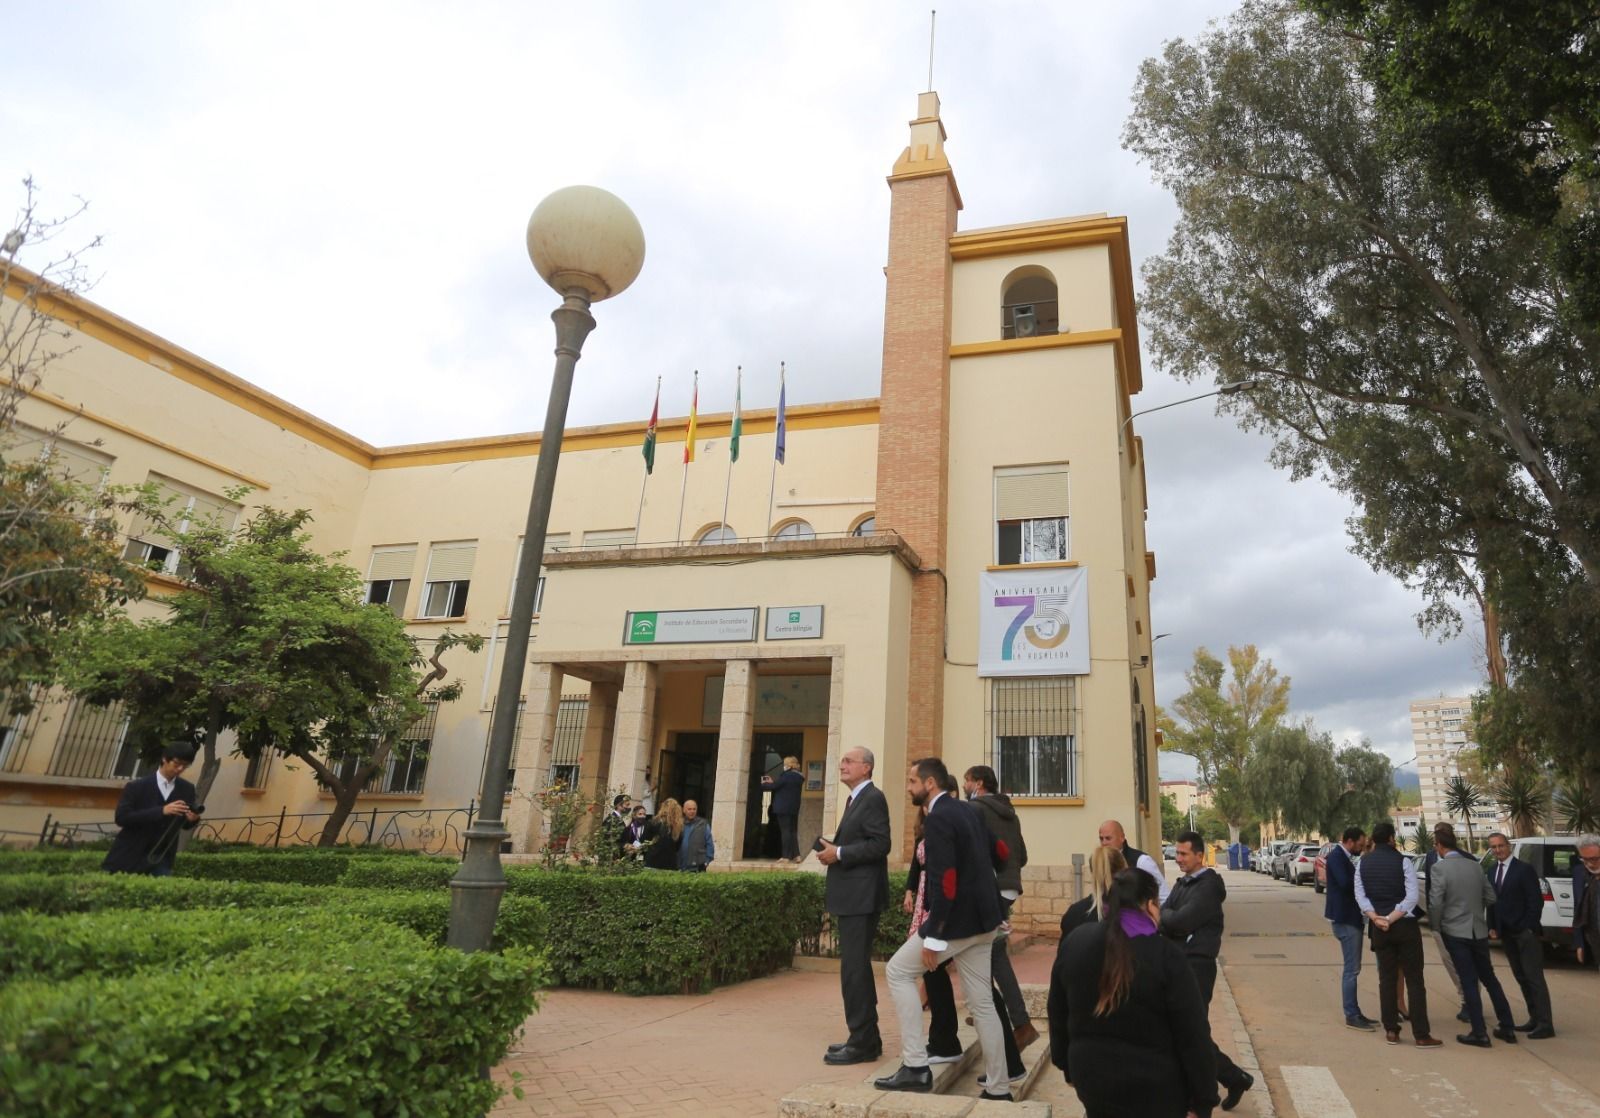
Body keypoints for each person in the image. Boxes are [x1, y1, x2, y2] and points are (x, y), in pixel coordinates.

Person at [876, 758, 1011, 1101]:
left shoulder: (937, 819)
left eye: (911, 781)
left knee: (897, 972)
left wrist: (934, 935)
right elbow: (1002, 853)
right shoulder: (970, 810)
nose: (908, 787)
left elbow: (945, 882)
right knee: (982, 1004)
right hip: (985, 921)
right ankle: (999, 1089)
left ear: (930, 783)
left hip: (955, 924)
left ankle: (916, 1067)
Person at [1057, 869, 1219, 1118]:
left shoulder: (1075, 941)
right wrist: (1203, 1099)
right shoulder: (1166, 955)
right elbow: (1193, 1034)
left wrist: (1067, 1067)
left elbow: (1058, 1012)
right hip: (1156, 1088)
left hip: (1092, 1078)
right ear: (1151, 905)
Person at [1159, 831, 1255, 1111]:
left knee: (1190, 1034)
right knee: (1188, 1033)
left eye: (1183, 854)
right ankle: (1234, 1077)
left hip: (1197, 967)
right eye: (1176, 854)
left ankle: (1203, 1094)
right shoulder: (1182, 883)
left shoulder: (1208, 886)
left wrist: (1168, 919)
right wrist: (1168, 918)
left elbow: (1178, 921)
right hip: (1180, 964)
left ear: (1200, 856)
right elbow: (1165, 914)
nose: (1178, 859)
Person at [818, 746, 891, 1066]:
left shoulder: (872, 797)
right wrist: (835, 849)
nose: (842, 764)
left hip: (861, 899)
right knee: (855, 969)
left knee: (854, 971)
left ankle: (861, 1041)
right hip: (853, 897)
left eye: (849, 761)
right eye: (842, 759)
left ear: (867, 767)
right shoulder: (856, 799)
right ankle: (866, 1038)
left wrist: (840, 854)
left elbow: (880, 844)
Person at [965, 764, 1037, 1053]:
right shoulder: (1010, 812)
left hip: (989, 889)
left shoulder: (977, 809)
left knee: (993, 955)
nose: (966, 785)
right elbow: (1022, 854)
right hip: (1008, 886)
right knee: (986, 951)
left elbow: (975, 851)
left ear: (979, 783)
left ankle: (1021, 1024)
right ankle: (986, 1009)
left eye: (968, 780)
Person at [1429, 822, 1516, 1047]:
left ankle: (1479, 1032)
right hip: (1478, 930)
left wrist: (1436, 925)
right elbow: (1492, 897)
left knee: (1468, 980)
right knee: (1490, 978)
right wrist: (1475, 910)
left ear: (1439, 845)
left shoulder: (1439, 869)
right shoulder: (1475, 866)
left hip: (1455, 931)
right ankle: (1507, 1026)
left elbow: (1436, 902)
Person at [1354, 821, 1440, 1048]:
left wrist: (1375, 918)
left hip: (1379, 928)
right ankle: (1421, 1034)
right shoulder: (1403, 862)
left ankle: (1391, 1030)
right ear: (1392, 838)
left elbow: (1360, 897)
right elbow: (1412, 897)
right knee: (1414, 979)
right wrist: (1392, 917)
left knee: (1386, 979)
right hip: (1404, 926)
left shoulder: (1362, 864)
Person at [1049, 844, 1126, 1082]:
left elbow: (1058, 989)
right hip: (1123, 1031)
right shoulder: (1133, 915)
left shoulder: (1075, 914)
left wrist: (1062, 1057)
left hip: (1084, 1031)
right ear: (1124, 870)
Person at [1485, 832, 1554, 1038]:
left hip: (1525, 933)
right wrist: (1492, 926)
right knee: (1521, 977)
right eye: (1494, 847)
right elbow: (1492, 901)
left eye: (1501, 846)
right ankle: (1533, 1018)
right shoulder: (1491, 871)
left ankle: (1545, 1023)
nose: (1498, 850)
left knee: (1534, 978)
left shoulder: (1524, 870)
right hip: (1506, 933)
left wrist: (1529, 927)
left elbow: (1536, 901)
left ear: (1508, 846)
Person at [102, 743, 201, 876]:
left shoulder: (187, 788)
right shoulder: (137, 787)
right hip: (130, 853)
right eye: (176, 764)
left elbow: (184, 824)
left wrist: (192, 820)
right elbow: (122, 818)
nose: (180, 769)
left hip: (162, 857)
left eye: (185, 766)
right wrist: (161, 811)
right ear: (165, 759)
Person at [1325, 826, 1376, 1030]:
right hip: (1345, 919)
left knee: (1353, 968)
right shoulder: (1337, 857)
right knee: (1351, 970)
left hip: (1350, 918)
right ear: (1350, 841)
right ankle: (1351, 1014)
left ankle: (1355, 1011)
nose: (1361, 848)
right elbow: (1346, 884)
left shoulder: (1344, 858)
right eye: (1360, 845)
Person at [1420, 829, 1470, 1022]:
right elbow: (1430, 888)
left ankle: (1469, 1000)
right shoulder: (1431, 857)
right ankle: (1465, 994)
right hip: (1440, 922)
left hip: (1462, 919)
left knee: (1465, 961)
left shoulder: (1468, 859)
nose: (1434, 845)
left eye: (1436, 841)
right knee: (1448, 960)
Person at [1098, 818, 1169, 901]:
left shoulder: (1142, 861)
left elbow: (1163, 897)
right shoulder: (1100, 862)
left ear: (1122, 837)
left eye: (1108, 838)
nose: (1104, 843)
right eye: (1101, 839)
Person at [762, 755, 805, 862]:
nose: (784, 766)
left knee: (785, 831)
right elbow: (783, 786)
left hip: (783, 808)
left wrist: (764, 784)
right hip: (794, 808)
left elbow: (774, 786)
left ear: (789, 765)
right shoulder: (799, 777)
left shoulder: (786, 776)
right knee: (793, 831)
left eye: (785, 764)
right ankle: (797, 855)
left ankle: (785, 856)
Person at [1574, 834, 1600, 966]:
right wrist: (1580, 944)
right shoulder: (1579, 874)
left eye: (1594, 859)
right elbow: (1577, 909)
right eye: (1584, 859)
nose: (1590, 864)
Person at [641, 798, 684, 871]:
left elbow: (644, 841)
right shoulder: (678, 827)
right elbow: (677, 847)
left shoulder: (652, 823)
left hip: (652, 861)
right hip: (670, 864)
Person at [678, 799, 715, 872]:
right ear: (684, 810)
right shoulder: (679, 824)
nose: (692, 811)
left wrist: (707, 861)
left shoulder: (703, 824)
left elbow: (709, 843)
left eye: (694, 809)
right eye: (689, 809)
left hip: (698, 866)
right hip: (680, 866)